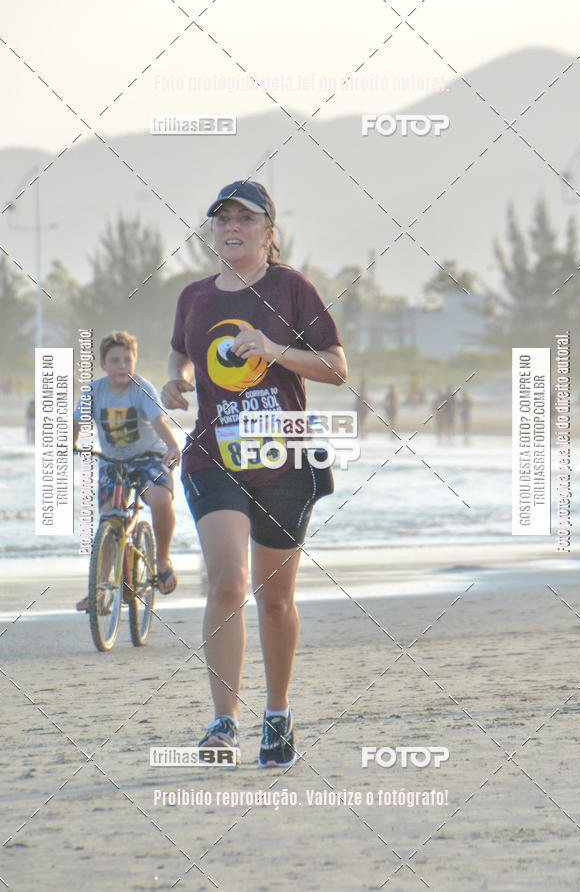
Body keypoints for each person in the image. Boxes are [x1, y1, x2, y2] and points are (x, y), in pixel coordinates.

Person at [161, 180, 347, 767]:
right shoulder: (194, 296)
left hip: (284, 459)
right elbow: (180, 351)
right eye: (222, 219)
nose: (231, 227)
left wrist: (272, 349)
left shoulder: (292, 288)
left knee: (274, 598)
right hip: (213, 455)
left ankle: (279, 712)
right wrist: (176, 379)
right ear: (213, 231)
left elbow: (336, 368)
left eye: (245, 218)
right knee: (227, 584)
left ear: (269, 232)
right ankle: (223, 723)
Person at [73, 331, 180, 610]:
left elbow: (159, 423)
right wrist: (68, 445)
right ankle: (100, 589)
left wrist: (172, 446)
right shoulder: (94, 391)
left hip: (147, 457)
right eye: (115, 361)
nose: (122, 366)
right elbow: (76, 423)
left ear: (134, 361)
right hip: (112, 462)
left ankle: (163, 559)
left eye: (127, 360)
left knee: (159, 499)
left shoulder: (141, 389)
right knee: (109, 518)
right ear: (103, 365)